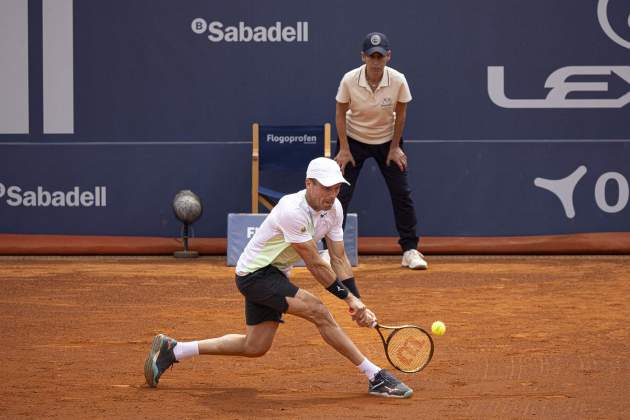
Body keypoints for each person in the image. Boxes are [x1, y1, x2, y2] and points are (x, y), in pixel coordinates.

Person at [144, 157, 413, 398]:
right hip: (255, 274)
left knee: (255, 345)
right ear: (309, 184)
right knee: (319, 311)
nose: (333, 194)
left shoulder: (335, 209)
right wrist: (349, 300)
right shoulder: (291, 209)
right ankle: (375, 376)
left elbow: (339, 259)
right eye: (326, 187)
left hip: (275, 273)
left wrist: (358, 301)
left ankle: (175, 350)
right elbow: (316, 264)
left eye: (337, 188)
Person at [331, 32, 427, 270]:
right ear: (363, 57)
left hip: (387, 141)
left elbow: (401, 114)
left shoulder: (398, 80)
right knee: (339, 197)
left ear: (388, 57)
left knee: (401, 193)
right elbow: (340, 113)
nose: (376, 61)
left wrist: (394, 147)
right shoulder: (349, 80)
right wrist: (343, 149)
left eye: (380, 56)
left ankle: (410, 250)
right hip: (353, 140)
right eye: (371, 56)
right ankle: (331, 253)